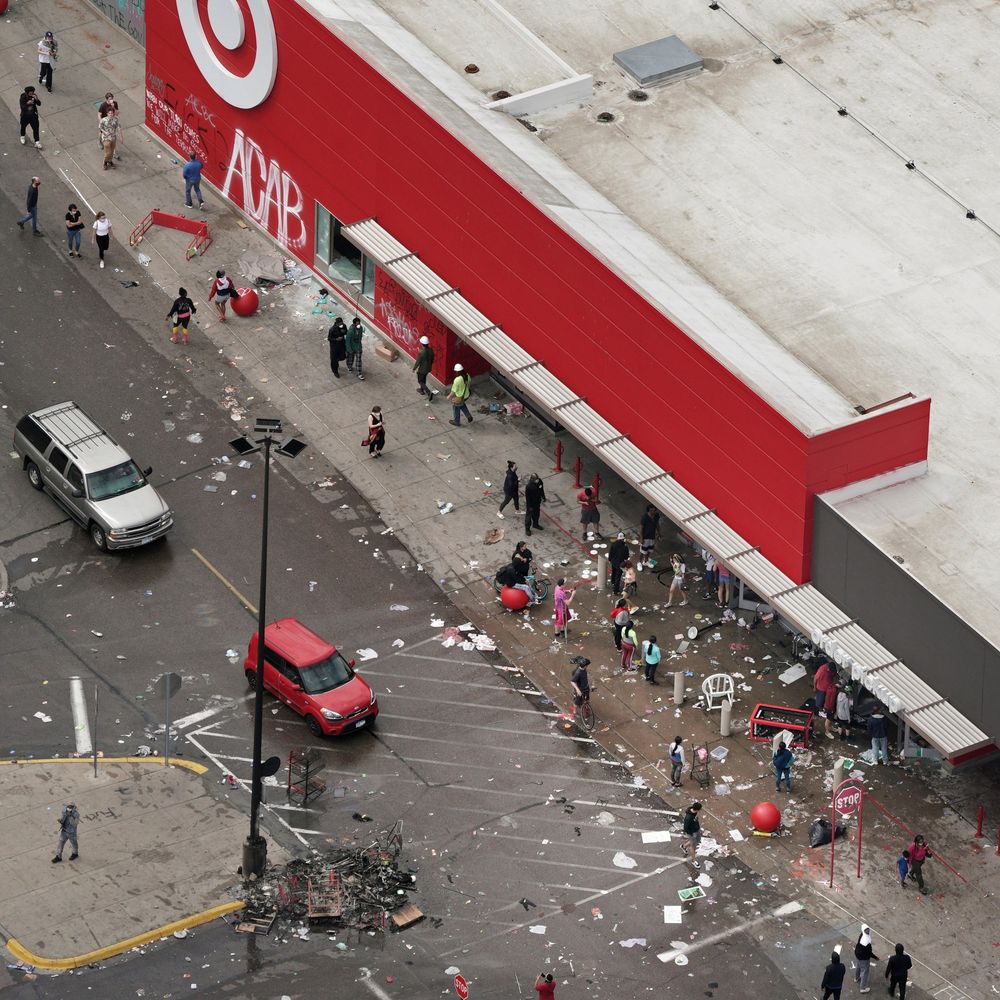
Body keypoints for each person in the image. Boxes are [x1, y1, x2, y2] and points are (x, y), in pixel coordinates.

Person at [854, 925, 879, 993]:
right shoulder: (866, 942)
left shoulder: (862, 935)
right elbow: (869, 952)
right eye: (866, 930)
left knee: (858, 966)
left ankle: (856, 978)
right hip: (864, 958)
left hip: (858, 954)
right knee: (865, 972)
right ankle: (863, 988)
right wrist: (875, 957)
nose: (868, 931)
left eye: (868, 929)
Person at [680, 802, 702, 868]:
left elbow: (695, 819)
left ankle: (684, 846)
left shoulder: (694, 812)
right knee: (693, 847)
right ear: (697, 809)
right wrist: (691, 834)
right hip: (692, 833)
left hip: (696, 830)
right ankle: (693, 861)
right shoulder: (688, 817)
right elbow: (685, 828)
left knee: (697, 841)